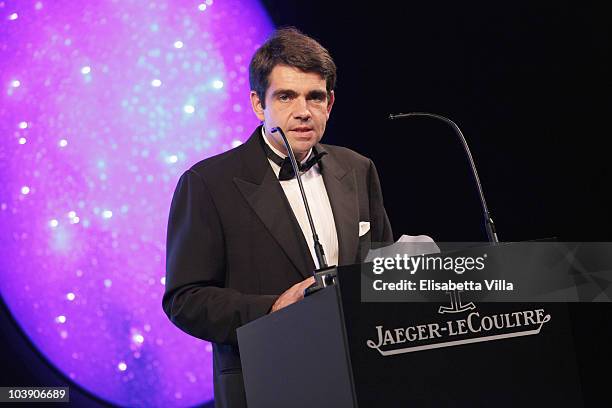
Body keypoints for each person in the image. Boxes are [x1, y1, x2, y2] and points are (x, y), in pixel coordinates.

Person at [163, 27, 393, 408]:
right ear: (258, 104)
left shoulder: (358, 169)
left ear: (330, 103)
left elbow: (377, 268)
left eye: (315, 97)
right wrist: (271, 310)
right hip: (265, 383)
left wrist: (407, 271)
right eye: (286, 96)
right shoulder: (207, 182)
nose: (303, 111)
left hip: (360, 380)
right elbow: (185, 299)